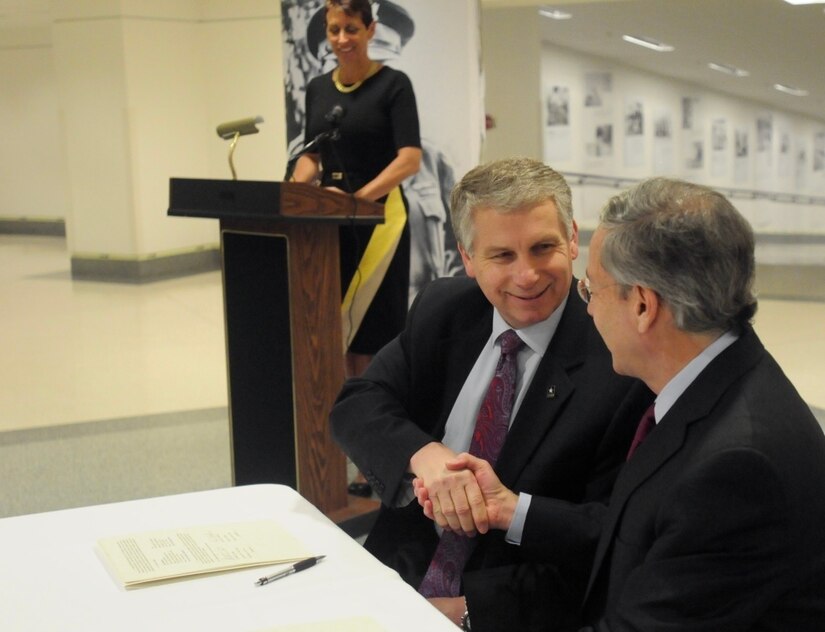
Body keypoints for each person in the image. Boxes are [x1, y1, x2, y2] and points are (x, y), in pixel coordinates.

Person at [425, 177, 825, 630]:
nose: (588, 311)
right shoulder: (714, 384)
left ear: (642, 306)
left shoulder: (735, 467)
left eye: (590, 290)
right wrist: (508, 509)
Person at [329, 157, 653, 631]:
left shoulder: (620, 360)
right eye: (502, 256)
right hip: (396, 575)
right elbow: (357, 403)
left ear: (572, 239)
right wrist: (425, 455)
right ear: (467, 257)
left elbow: (610, 534)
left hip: (511, 606)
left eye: (543, 248)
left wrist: (463, 611)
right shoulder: (446, 308)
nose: (527, 276)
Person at [290, 0, 422, 379]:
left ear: (370, 31)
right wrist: (297, 191)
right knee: (333, 327)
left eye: (351, 29)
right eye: (334, 30)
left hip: (380, 220)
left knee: (371, 333)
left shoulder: (394, 85)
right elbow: (312, 154)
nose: (342, 38)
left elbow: (409, 159)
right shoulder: (318, 89)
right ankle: (341, 418)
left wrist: (356, 200)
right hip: (329, 222)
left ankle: (374, 417)